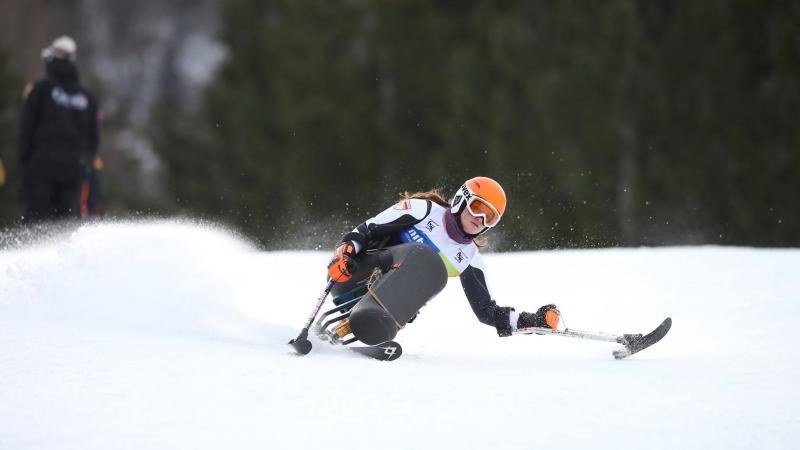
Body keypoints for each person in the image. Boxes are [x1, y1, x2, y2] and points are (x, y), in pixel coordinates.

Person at [323, 176, 560, 345]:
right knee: (424, 256)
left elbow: (487, 312)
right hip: (354, 276)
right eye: (478, 208)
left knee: (431, 268)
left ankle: (357, 327)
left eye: (490, 217)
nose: (480, 219)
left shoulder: (469, 258)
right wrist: (343, 255)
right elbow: (367, 230)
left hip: (389, 307)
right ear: (462, 200)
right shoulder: (422, 210)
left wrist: (534, 321)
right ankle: (365, 315)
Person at [18, 36, 99, 223]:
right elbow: (94, 139)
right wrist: (84, 164)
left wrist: (24, 163)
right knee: (66, 226)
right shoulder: (87, 97)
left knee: (37, 223)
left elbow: (26, 128)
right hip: (74, 170)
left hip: (41, 167)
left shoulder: (39, 89)